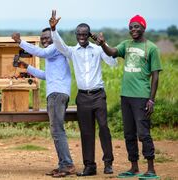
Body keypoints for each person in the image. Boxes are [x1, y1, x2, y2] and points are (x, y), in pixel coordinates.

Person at [49, 10, 117, 176]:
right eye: (79, 34)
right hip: (83, 97)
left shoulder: (97, 49)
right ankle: (90, 167)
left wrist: (103, 44)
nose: (81, 36)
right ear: (75, 35)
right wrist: (53, 30)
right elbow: (60, 45)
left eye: (84, 34)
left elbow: (113, 63)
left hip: (98, 95)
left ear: (89, 35)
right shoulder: (72, 51)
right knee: (86, 132)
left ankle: (108, 163)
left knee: (103, 128)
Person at [95, 15, 162, 179]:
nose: (133, 30)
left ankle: (151, 169)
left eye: (137, 27)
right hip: (126, 96)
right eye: (131, 27)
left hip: (141, 97)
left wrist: (151, 99)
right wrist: (103, 43)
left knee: (143, 133)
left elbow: (156, 77)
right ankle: (134, 167)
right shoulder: (126, 44)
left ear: (143, 28)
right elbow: (112, 53)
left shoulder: (151, 48)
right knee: (129, 133)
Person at [12, 28, 76, 178]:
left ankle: (67, 164)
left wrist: (20, 42)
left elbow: (41, 53)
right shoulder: (53, 54)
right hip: (57, 93)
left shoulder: (55, 48)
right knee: (56, 130)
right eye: (43, 38)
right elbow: (45, 75)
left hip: (56, 94)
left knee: (57, 130)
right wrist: (26, 66)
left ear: (54, 38)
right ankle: (63, 164)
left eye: (47, 37)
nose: (44, 40)